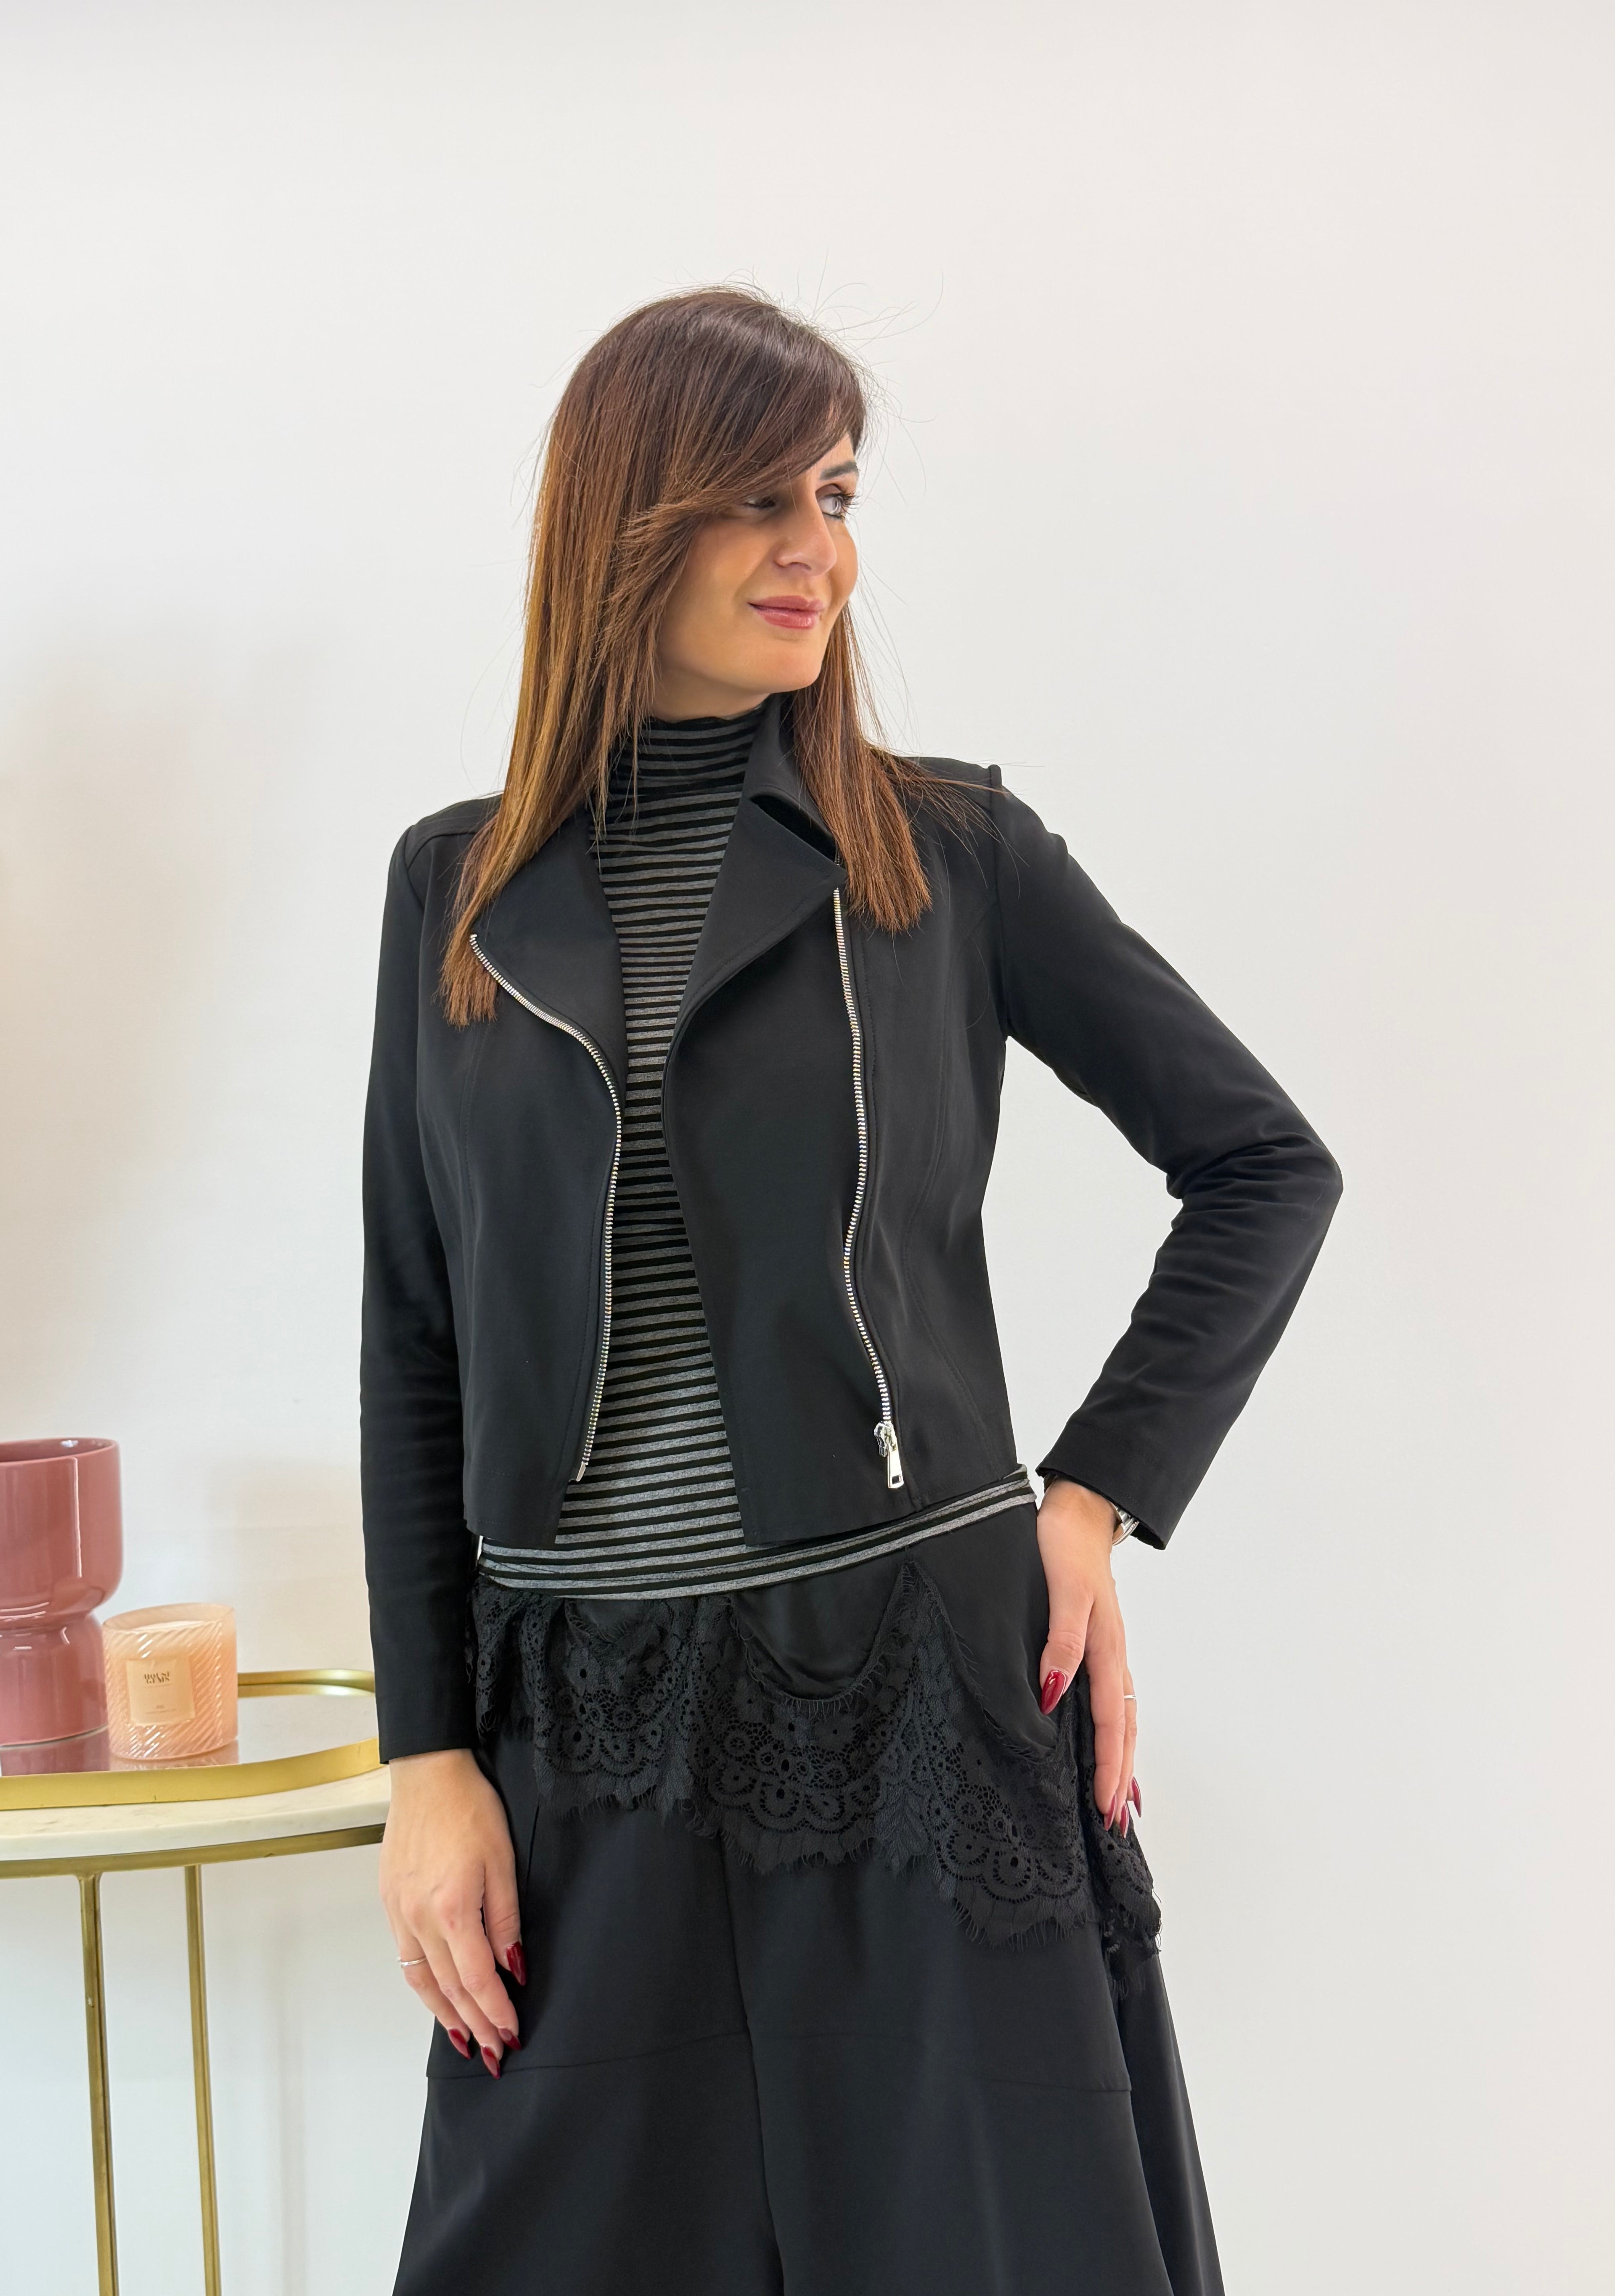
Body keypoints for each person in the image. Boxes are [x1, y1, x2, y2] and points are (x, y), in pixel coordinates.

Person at [358, 284, 1341, 2296]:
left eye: (836, 495)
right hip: (585, 1735)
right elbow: (414, 1333)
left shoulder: (948, 855)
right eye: (761, 497)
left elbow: (1261, 1165)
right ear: (628, 519)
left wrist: (1092, 1497)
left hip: (909, 1699)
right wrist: (427, 1759)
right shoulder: (452, 892)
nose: (819, 547)